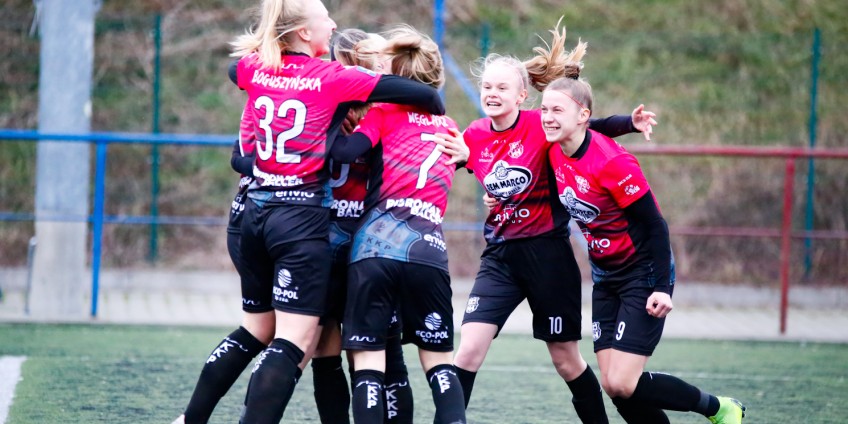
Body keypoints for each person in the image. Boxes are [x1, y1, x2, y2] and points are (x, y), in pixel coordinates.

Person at [228, 0, 445, 422]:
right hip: (352, 240)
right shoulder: (363, 104)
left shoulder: (361, 109)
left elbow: (241, 156)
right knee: (365, 352)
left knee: (322, 349)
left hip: (332, 236)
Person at [435, 19, 655, 423]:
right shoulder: (475, 134)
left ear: (522, 95)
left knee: (566, 361)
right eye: (487, 87)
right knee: (467, 351)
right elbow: (475, 164)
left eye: (502, 88)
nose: (492, 94)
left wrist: (629, 122)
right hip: (500, 258)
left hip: (548, 257)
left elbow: (590, 126)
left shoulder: (542, 126)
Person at [542, 69, 746, 422]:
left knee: (623, 381)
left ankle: (720, 408)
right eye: (544, 109)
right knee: (614, 385)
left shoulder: (613, 163)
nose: (547, 117)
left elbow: (655, 225)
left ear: (582, 116)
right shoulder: (555, 148)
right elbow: (589, 127)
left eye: (557, 110)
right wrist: (627, 123)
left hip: (642, 273)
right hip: (605, 276)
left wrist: (662, 287)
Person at [330, 25, 467, 424]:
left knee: (369, 364)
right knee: (440, 365)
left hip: (375, 248)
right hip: (429, 253)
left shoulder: (384, 114)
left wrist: (332, 113)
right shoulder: (450, 126)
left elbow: (344, 151)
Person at [312, 28, 415, 424]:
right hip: (365, 240)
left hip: (346, 239)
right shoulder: (386, 110)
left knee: (337, 349)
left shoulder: (332, 108)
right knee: (375, 351)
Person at [172, 104, 273, 424]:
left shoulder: (260, 85)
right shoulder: (315, 86)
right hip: (278, 221)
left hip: (249, 218)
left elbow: (238, 157)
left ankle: (191, 419)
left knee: (264, 330)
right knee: (295, 338)